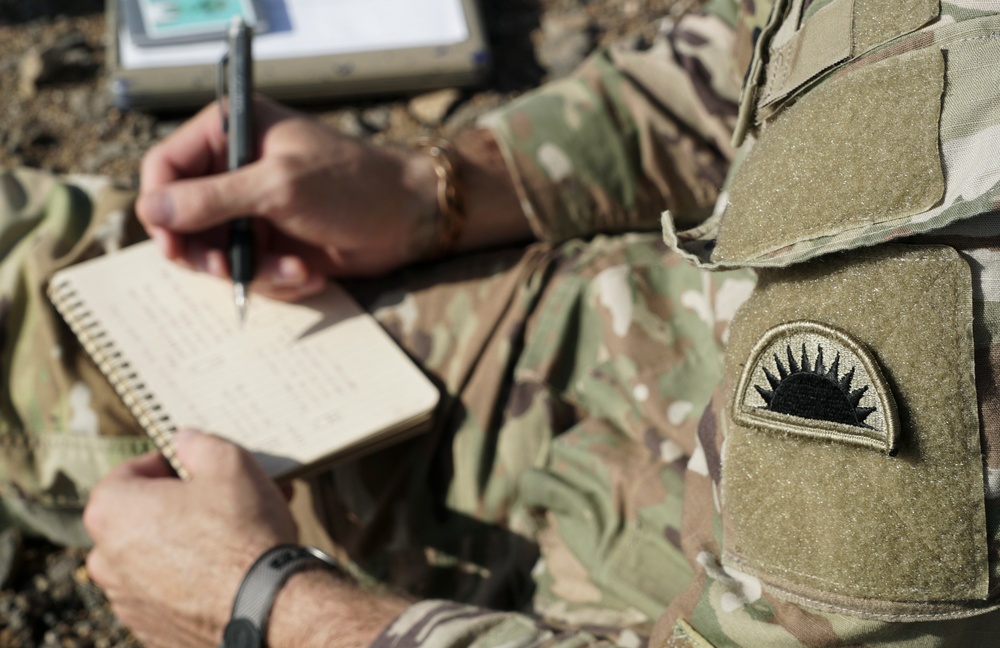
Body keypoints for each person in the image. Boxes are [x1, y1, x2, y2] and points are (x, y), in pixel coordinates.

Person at [5, 0, 1000, 645]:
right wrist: (438, 188)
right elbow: (776, 58)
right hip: (575, 303)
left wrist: (267, 608)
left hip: (569, 537)